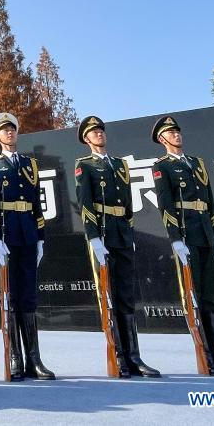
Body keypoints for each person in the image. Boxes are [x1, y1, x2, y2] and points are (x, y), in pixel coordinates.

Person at [152, 116, 214, 374]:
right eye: (171, 133)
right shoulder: (162, 166)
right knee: (192, 295)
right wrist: (175, 239)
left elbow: (209, 201)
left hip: (204, 231)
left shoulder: (197, 163)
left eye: (178, 131)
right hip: (185, 232)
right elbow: (165, 204)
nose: (177, 135)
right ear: (162, 139)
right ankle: (204, 354)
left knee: (210, 295)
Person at [75, 116, 158, 378]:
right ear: (86, 139)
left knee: (125, 295)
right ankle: (118, 355)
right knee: (108, 296)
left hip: (121, 232)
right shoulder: (84, 165)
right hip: (101, 232)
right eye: (94, 132)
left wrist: (129, 231)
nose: (99, 134)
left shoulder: (120, 165)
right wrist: (93, 237)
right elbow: (85, 203)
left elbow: (128, 203)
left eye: (101, 130)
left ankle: (134, 355)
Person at [0, 112, 54, 381]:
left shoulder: (30, 165)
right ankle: (16, 356)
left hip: (27, 234)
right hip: (7, 235)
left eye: (12, 129)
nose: (10, 133)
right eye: (4, 130)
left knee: (28, 297)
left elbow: (36, 204)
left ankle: (34, 359)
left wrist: (41, 238)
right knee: (10, 297)